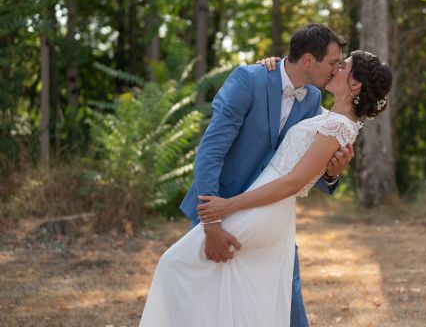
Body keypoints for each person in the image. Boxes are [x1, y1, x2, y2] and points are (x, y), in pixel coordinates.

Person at [139, 48, 392, 327]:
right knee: (244, 293)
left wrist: (227, 206)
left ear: (355, 84)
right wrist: (278, 67)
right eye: (335, 62)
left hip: (260, 209)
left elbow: (295, 180)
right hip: (257, 204)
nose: (335, 69)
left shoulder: (337, 123)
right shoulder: (319, 108)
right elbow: (217, 148)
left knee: (176, 265)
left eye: (341, 65)